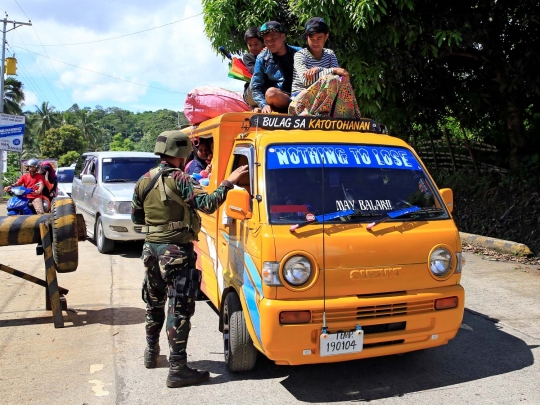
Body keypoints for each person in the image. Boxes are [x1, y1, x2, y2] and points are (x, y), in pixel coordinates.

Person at [131, 130, 248, 388]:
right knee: (179, 308)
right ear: (182, 153)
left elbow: (136, 218)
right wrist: (228, 182)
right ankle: (177, 369)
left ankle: (151, 354)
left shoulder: (143, 180)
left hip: (151, 251)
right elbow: (207, 204)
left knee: (154, 302)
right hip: (176, 253)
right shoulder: (182, 179)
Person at [288, 17, 361, 118]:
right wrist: (332, 70)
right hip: (301, 100)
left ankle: (347, 116)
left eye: (319, 38)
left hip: (325, 100)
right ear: (307, 38)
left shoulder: (330, 54)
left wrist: (319, 69)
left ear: (326, 37)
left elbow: (339, 77)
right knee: (331, 79)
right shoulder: (300, 55)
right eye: (311, 39)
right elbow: (306, 80)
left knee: (341, 79)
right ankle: (314, 113)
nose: (315, 42)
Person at [250, 21, 301, 113]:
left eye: (273, 38)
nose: (270, 43)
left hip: (302, 96)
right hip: (282, 99)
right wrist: (263, 104)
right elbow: (256, 86)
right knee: (271, 93)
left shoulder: (300, 52)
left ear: (283, 37)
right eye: (266, 40)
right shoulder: (262, 58)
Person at [242, 26, 264, 109]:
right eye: (250, 45)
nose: (253, 48)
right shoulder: (247, 57)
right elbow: (255, 71)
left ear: (263, 42)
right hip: (251, 93)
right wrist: (263, 57)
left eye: (256, 44)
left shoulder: (271, 54)